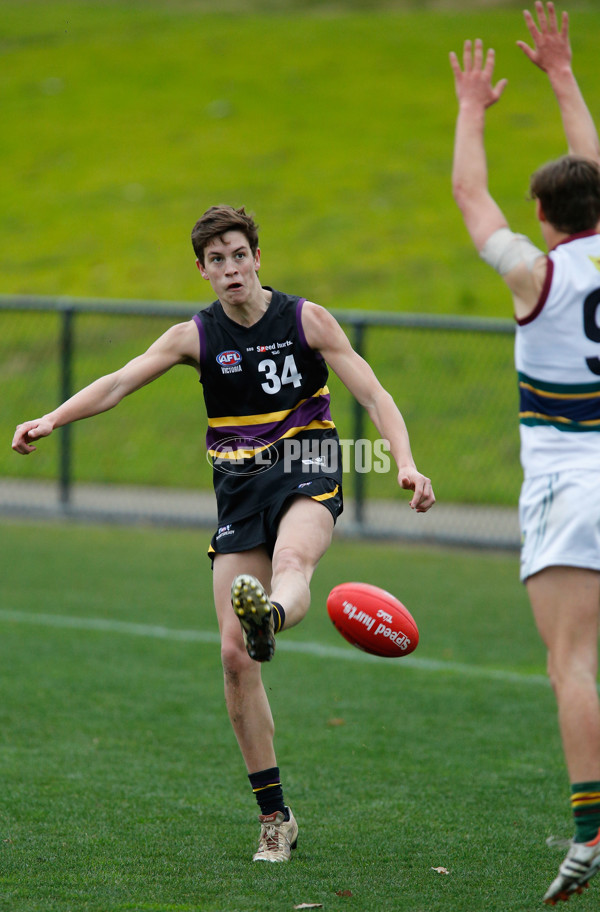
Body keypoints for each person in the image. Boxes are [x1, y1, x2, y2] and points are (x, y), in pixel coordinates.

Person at [12, 204, 435, 863]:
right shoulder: (196, 336)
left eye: (239, 254)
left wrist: (404, 462)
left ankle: (269, 614)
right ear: (204, 271)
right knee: (234, 659)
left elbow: (374, 393)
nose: (231, 268)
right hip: (239, 488)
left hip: (307, 466)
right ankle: (276, 816)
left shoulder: (304, 319)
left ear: (257, 258)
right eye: (217, 260)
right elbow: (120, 381)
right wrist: (51, 418)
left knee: (294, 558)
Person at [450, 2, 600, 904]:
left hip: (569, 481)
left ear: (541, 214)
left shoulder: (532, 275)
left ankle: (589, 829)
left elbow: (472, 199)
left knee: (571, 662)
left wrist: (472, 106)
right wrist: (562, 74)